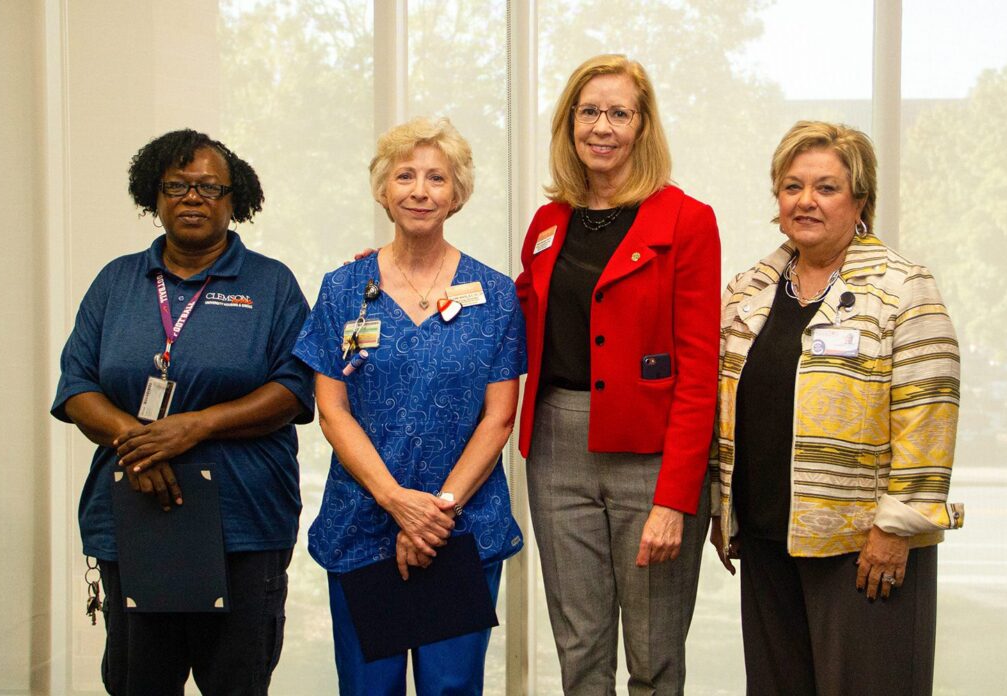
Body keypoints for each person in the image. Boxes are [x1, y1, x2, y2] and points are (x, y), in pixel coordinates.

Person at [51, 129, 315, 696]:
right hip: (136, 517)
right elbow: (76, 387)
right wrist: (137, 444)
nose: (192, 197)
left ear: (234, 199)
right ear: (154, 196)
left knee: (237, 684)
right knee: (138, 683)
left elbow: (294, 390)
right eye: (176, 186)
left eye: (209, 187)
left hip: (244, 523)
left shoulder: (271, 284)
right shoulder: (116, 281)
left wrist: (194, 427)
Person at [708, 120, 964, 695]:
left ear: (860, 201)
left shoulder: (903, 289)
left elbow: (930, 416)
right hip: (768, 539)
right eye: (792, 186)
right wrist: (723, 508)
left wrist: (896, 528)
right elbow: (723, 406)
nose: (807, 201)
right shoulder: (747, 292)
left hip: (865, 549)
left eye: (826, 188)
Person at [292, 116, 526, 696]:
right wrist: (397, 502)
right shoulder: (344, 288)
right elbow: (332, 411)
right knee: (370, 689)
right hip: (365, 522)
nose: (420, 191)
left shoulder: (496, 295)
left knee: (451, 688)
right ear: (383, 189)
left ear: (457, 194)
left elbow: (499, 417)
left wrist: (435, 513)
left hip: (459, 526)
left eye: (436, 178)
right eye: (405, 176)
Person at [516, 54, 721, 694]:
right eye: (589, 112)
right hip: (557, 448)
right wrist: (410, 270)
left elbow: (699, 372)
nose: (601, 126)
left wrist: (675, 498)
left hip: (652, 456)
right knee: (579, 649)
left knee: (654, 655)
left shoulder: (687, 220)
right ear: (569, 123)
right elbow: (514, 311)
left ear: (643, 126)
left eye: (619, 113)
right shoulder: (549, 222)